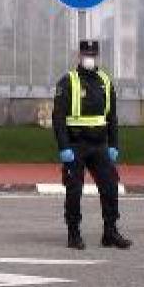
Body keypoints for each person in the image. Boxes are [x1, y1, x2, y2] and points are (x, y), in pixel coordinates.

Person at [52, 39, 131, 251]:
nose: (89, 58)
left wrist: (114, 145)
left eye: (93, 54)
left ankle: (110, 231)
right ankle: (73, 233)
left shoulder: (105, 81)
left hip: (99, 146)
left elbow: (112, 117)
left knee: (110, 185)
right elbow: (58, 118)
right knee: (74, 190)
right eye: (86, 54)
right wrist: (63, 147)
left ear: (97, 56)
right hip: (75, 146)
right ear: (79, 56)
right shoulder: (67, 82)